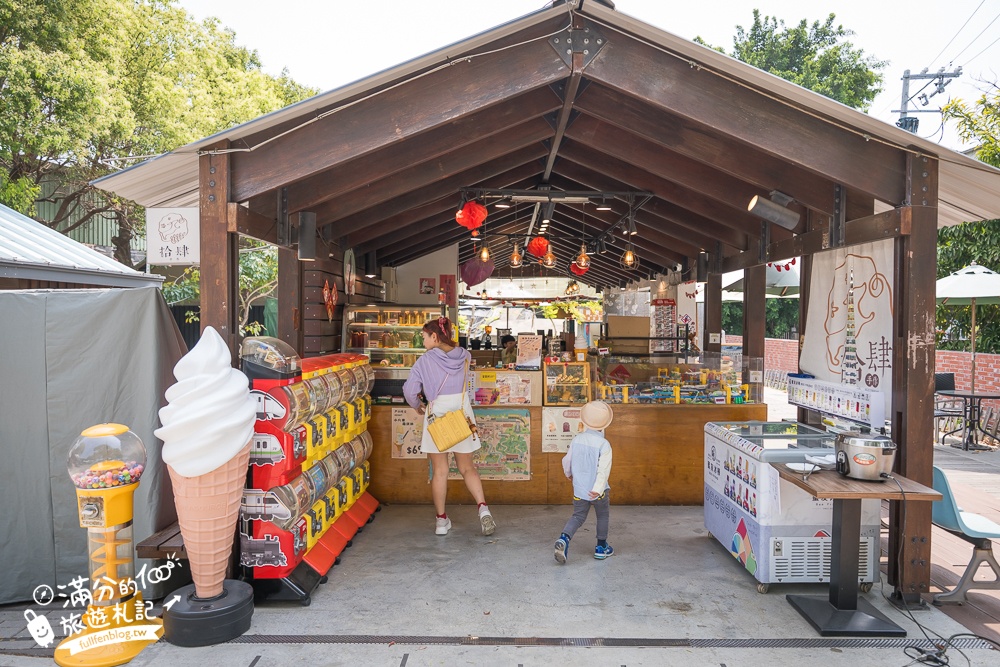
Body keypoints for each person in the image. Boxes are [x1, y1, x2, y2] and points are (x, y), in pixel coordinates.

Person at [403, 316, 496, 537]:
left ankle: (441, 521)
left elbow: (409, 390)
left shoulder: (425, 361)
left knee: (440, 471)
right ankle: (483, 509)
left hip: (437, 415)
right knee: (467, 468)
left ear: (435, 337)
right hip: (462, 414)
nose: (423, 342)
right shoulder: (465, 356)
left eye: (425, 337)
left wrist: (417, 405)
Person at [554, 401, 614, 563]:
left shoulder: (577, 439)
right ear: (605, 424)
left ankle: (564, 538)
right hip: (598, 492)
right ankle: (601, 547)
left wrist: (568, 474)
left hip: (579, 489)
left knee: (578, 516)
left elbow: (567, 460)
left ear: (585, 420)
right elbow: (603, 469)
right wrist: (598, 489)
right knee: (602, 516)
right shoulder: (604, 444)